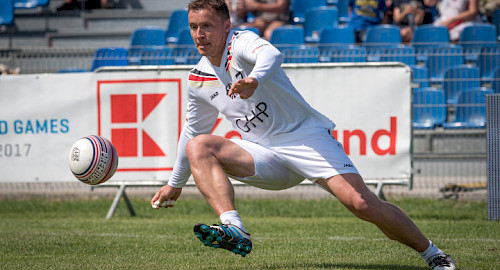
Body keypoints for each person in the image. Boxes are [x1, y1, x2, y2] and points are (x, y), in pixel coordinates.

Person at [151, 1, 456, 269]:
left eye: (207, 26)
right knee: (198, 145)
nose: (199, 34)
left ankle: (434, 254)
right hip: (262, 153)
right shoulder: (199, 78)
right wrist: (174, 183)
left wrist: (255, 78)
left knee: (362, 204)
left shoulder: (240, 42)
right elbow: (192, 130)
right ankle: (234, 229)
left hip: (305, 137)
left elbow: (271, 54)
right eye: (193, 27)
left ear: (227, 26)